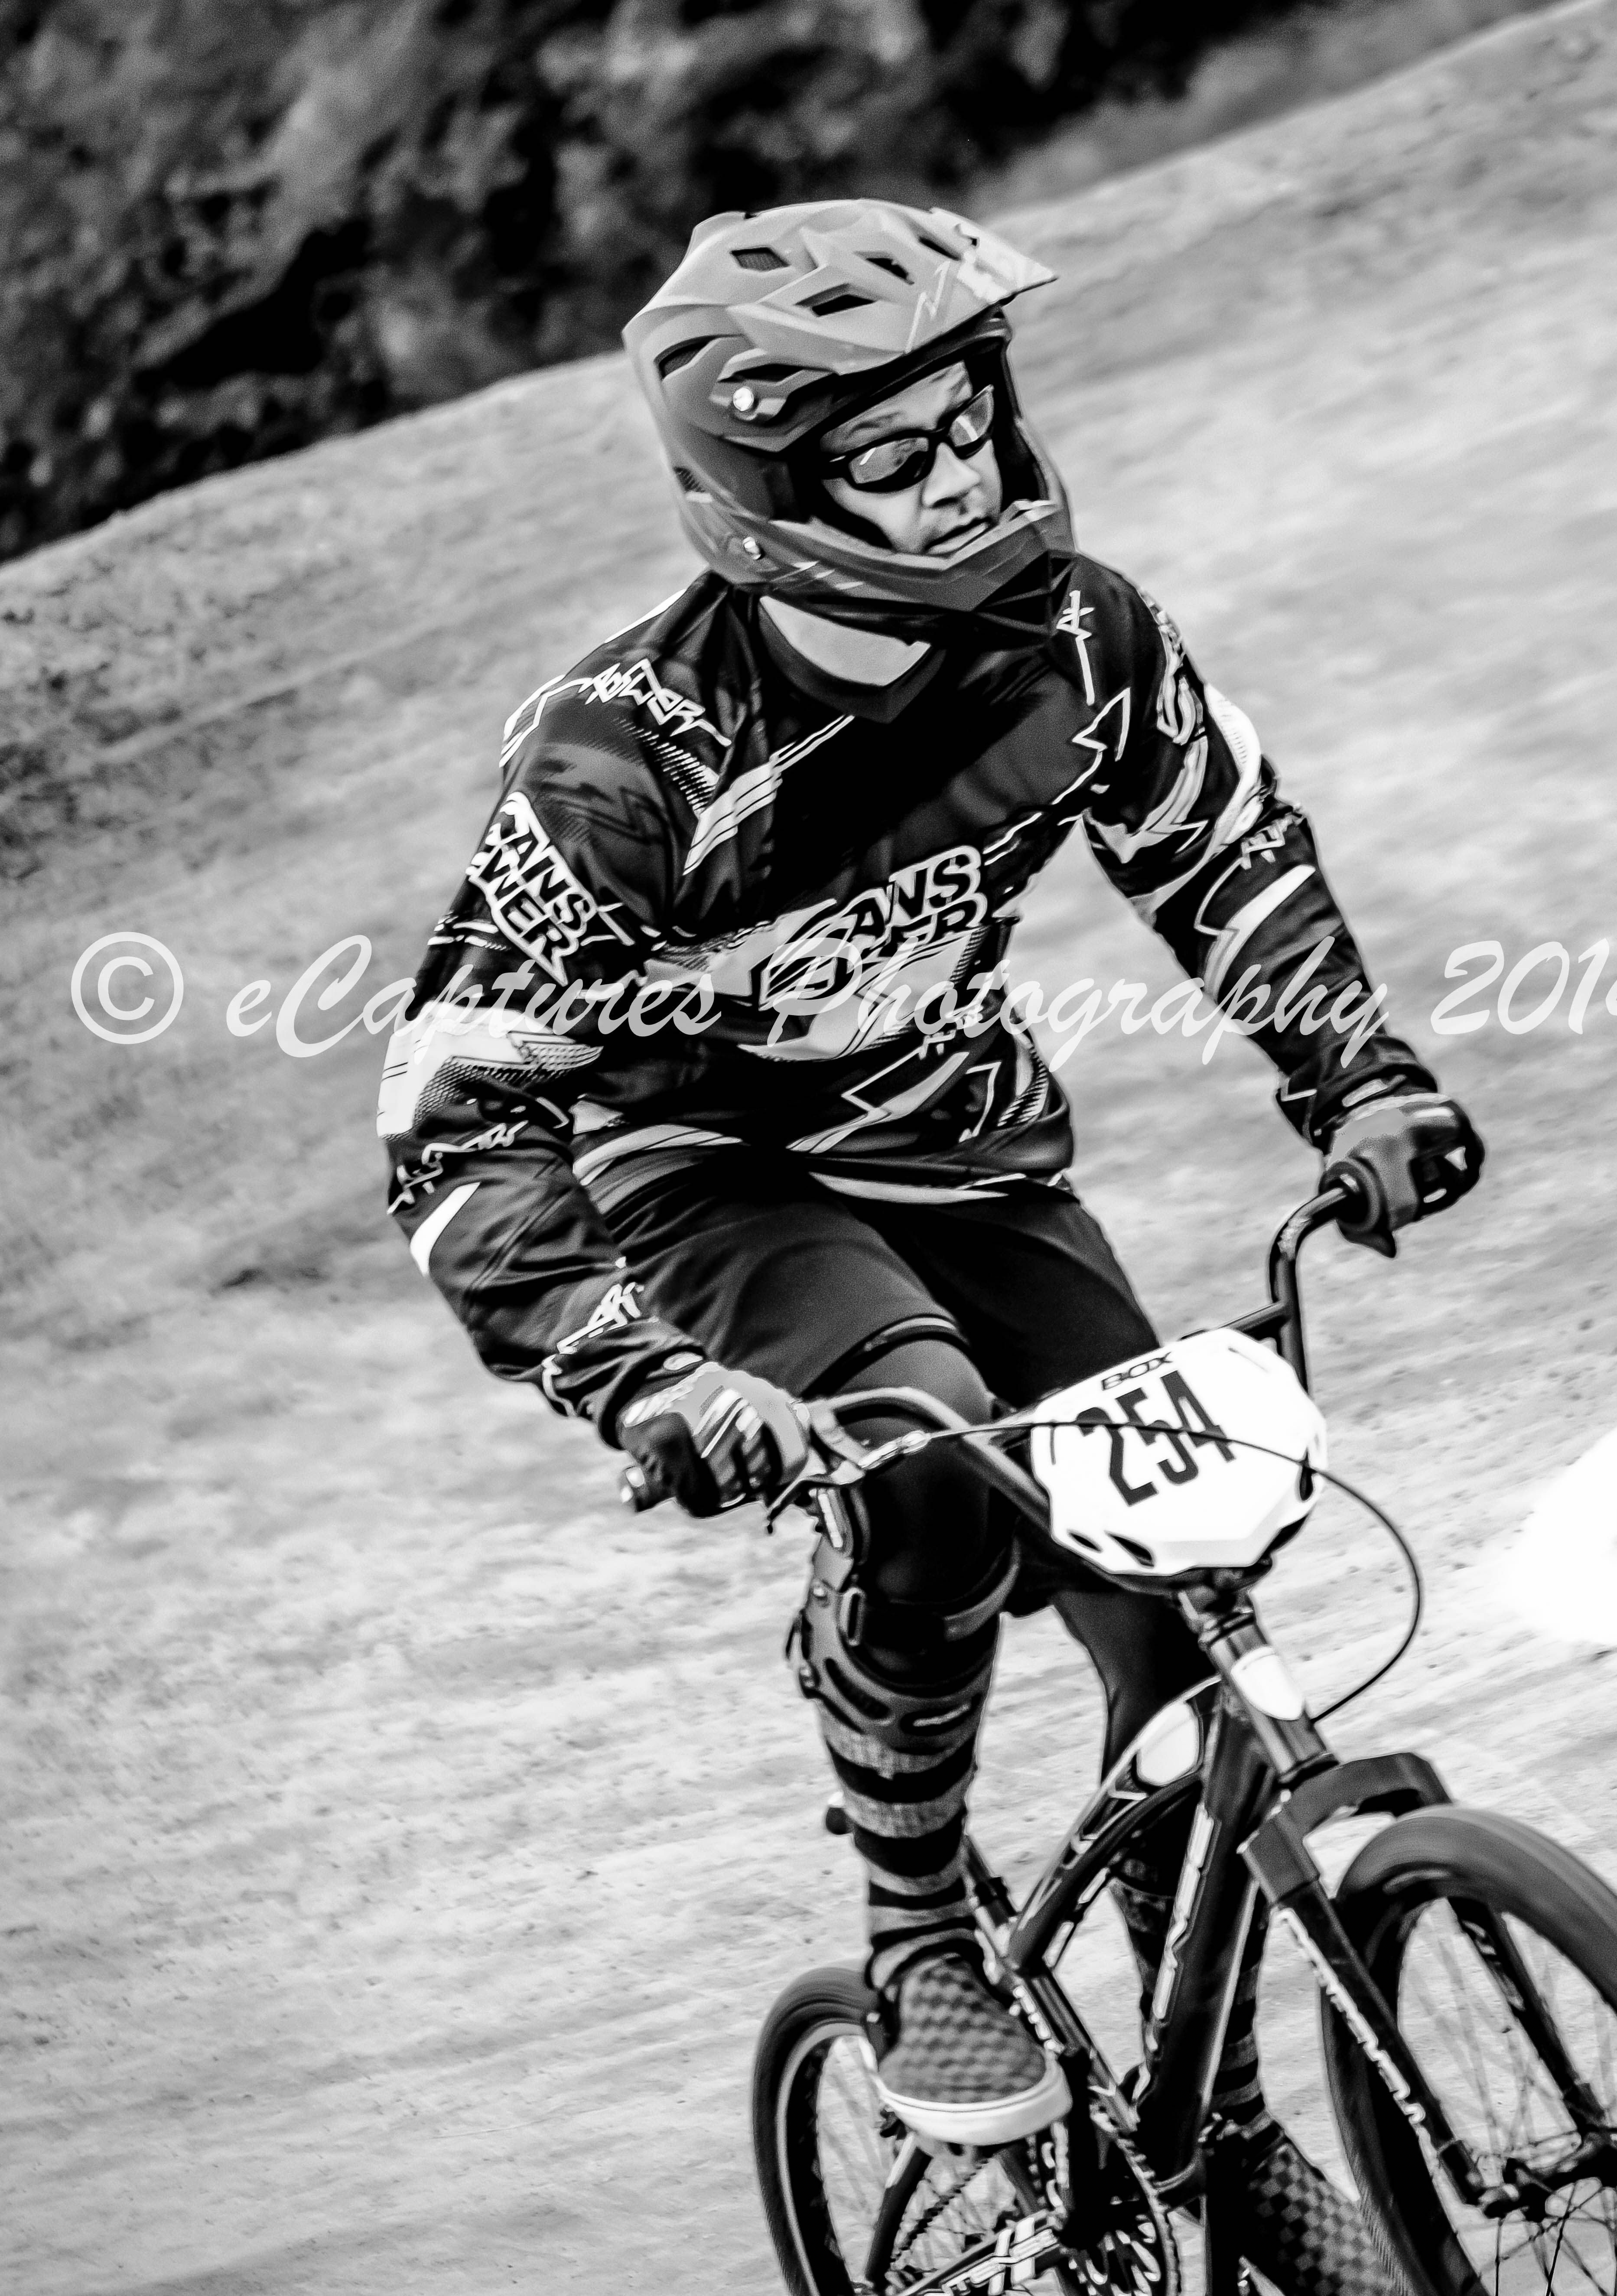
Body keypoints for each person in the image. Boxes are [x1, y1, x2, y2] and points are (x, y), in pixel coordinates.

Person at [380, 198, 1480, 2277]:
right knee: (926, 1459)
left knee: (1179, 1601)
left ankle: (1209, 2119)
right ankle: (917, 1939)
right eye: (893, 454)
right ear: (770, 496)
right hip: (703, 1181)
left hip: (961, 1156)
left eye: (970, 415)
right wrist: (639, 1375)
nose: (963, 471)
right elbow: (452, 1122)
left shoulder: (1079, 640)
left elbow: (1222, 849)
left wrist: (1361, 1078)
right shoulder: (624, 766)